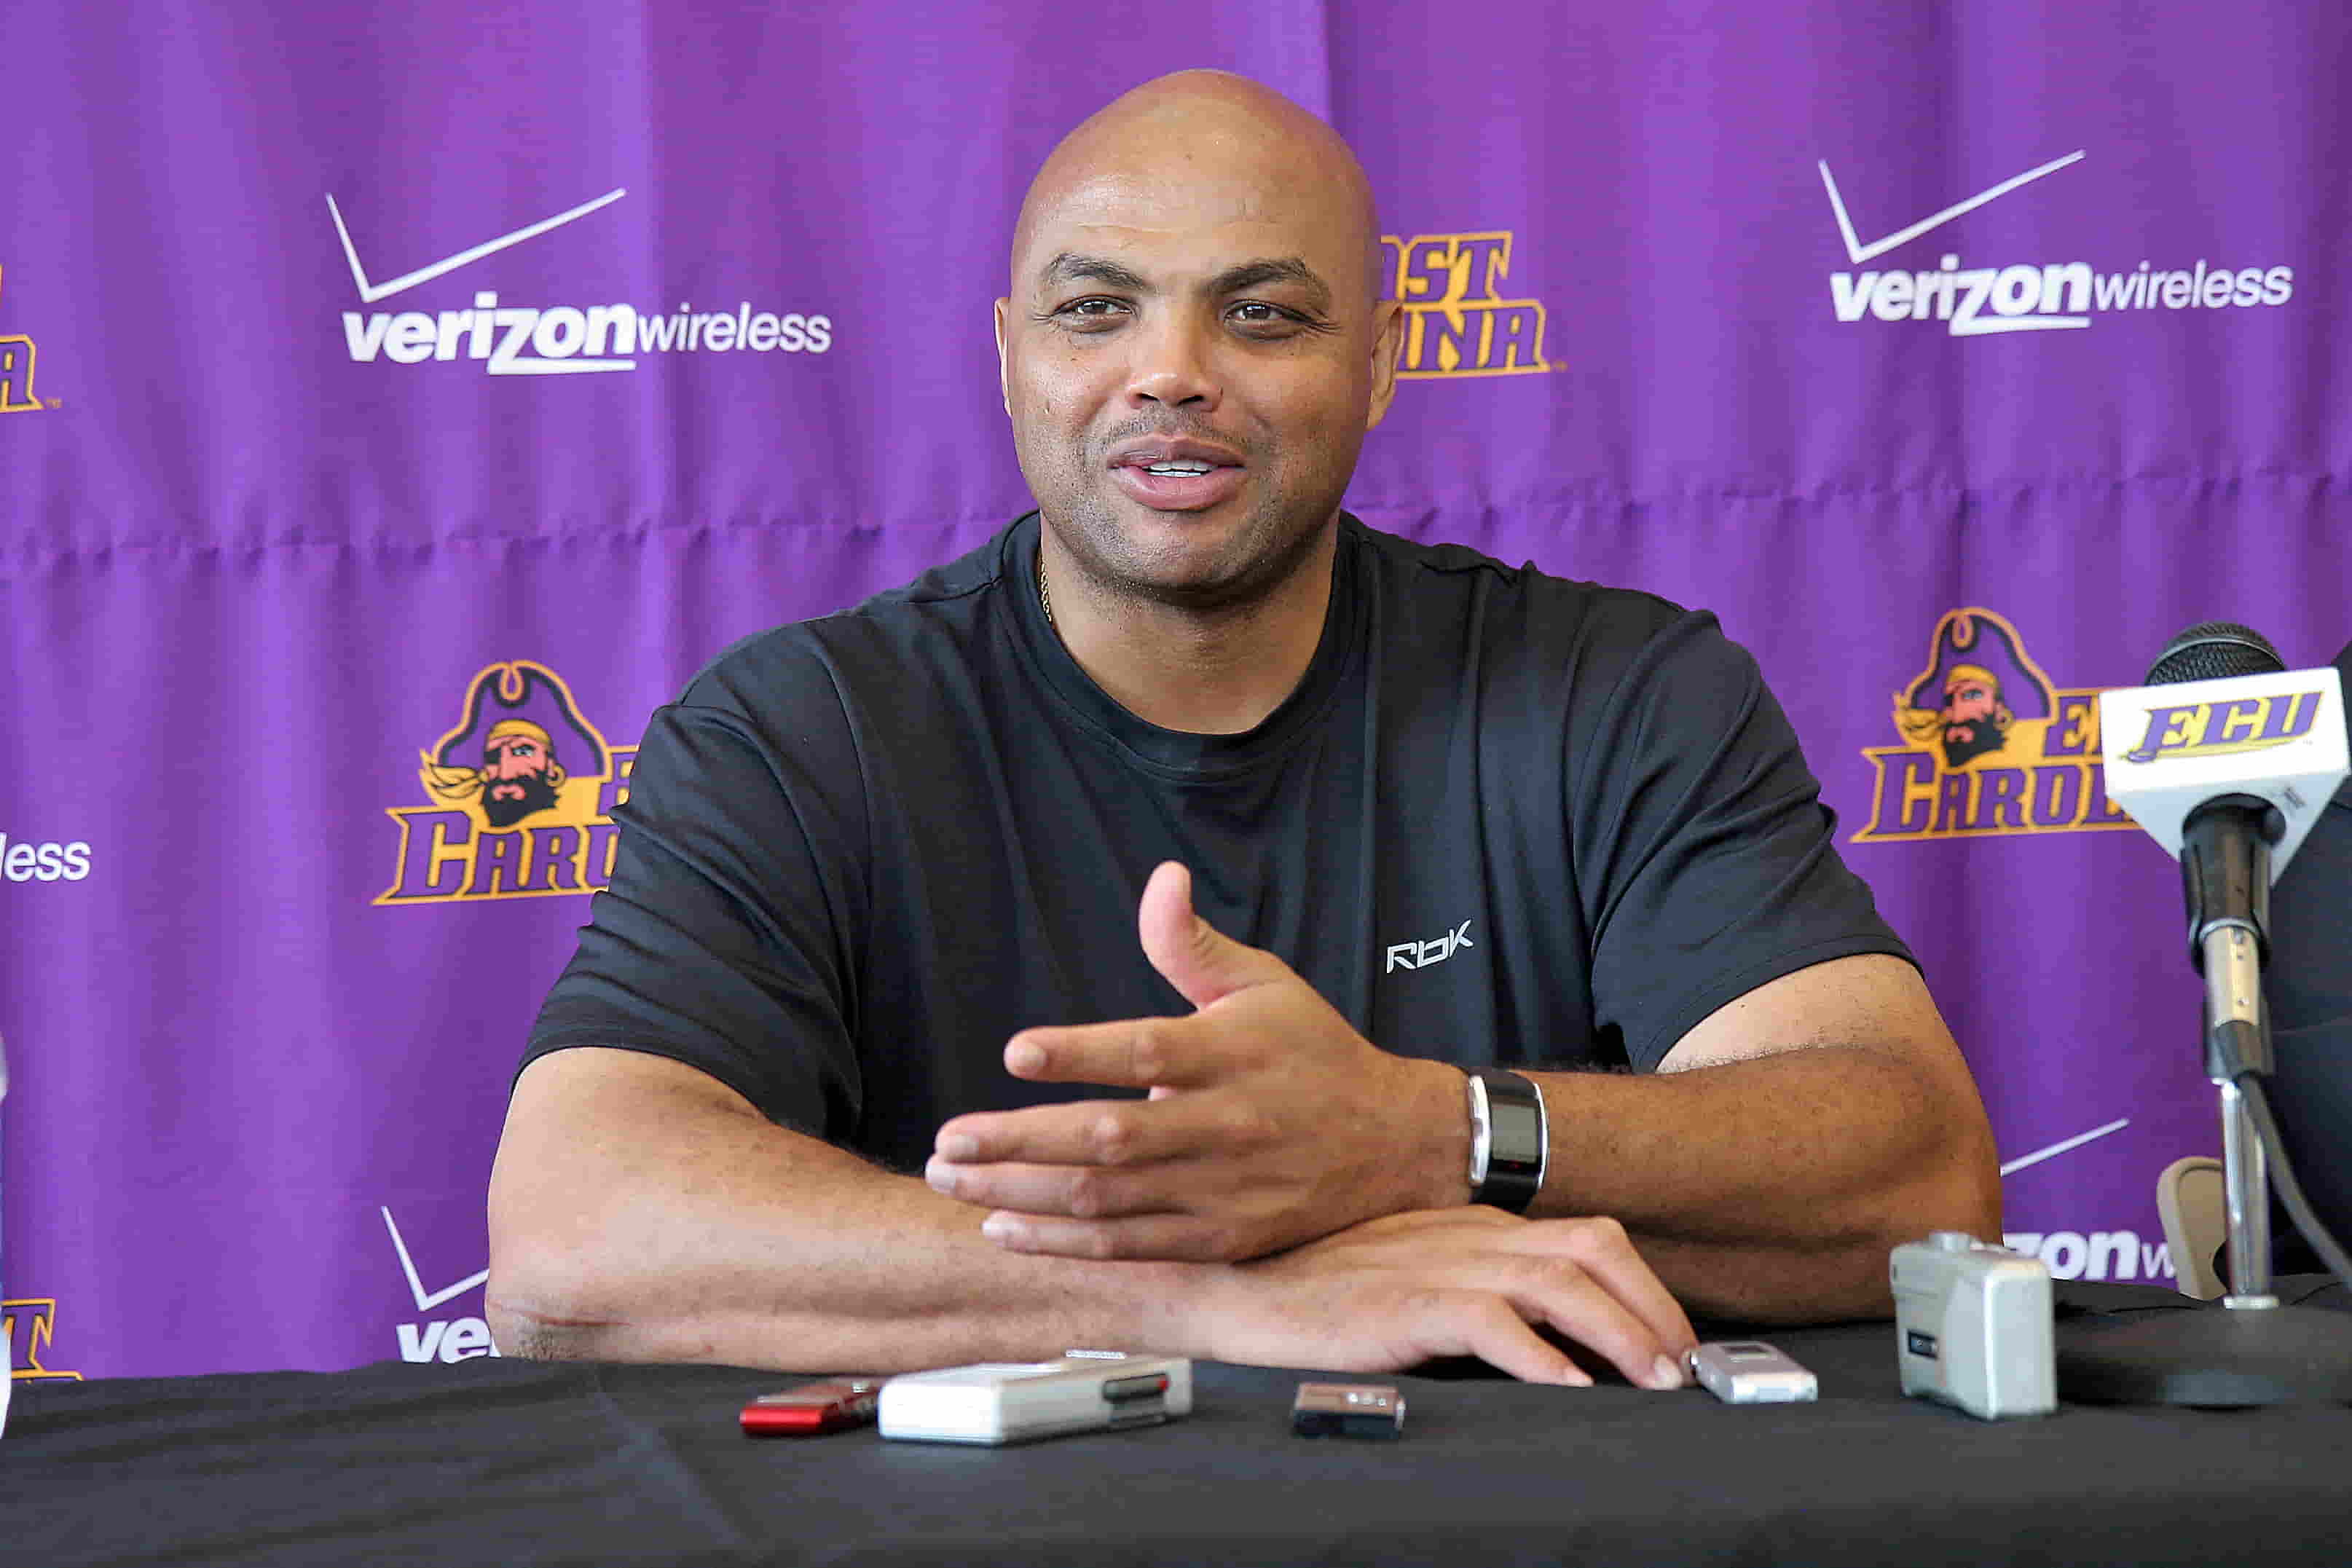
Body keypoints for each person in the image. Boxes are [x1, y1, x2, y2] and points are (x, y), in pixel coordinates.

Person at [487, 70, 2002, 1390]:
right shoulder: (798, 731)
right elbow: (571, 1239)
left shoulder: (1616, 691)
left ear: (1383, 359)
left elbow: (1916, 1176)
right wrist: (1217, 1286)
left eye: (1262, 313)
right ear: (1009, 358)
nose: (1171, 373)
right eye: (1096, 310)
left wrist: (1428, 1134)